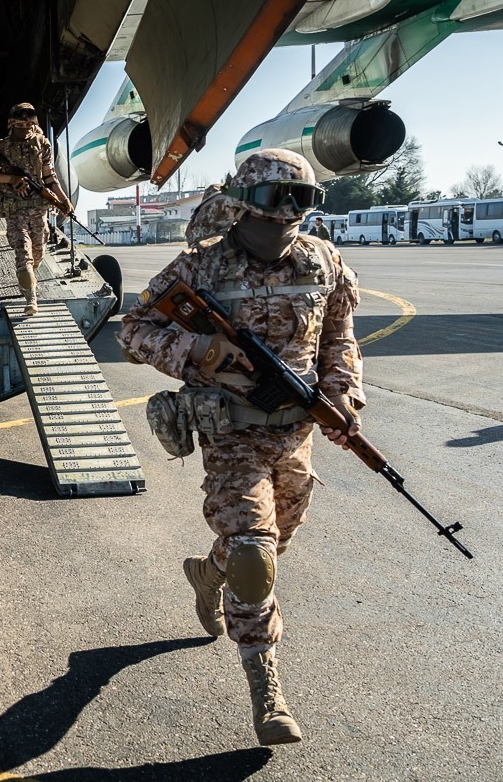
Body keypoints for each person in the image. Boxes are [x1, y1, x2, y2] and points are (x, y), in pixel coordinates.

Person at [117, 149, 365, 746]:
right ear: (244, 203)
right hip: (231, 432)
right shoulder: (201, 267)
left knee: (270, 546)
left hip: (296, 434)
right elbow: (134, 330)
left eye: (302, 200)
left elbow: (340, 340)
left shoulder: (323, 261)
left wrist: (341, 398)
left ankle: (207, 575)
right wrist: (201, 351)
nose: (288, 213)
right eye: (276, 199)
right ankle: (266, 689)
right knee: (253, 554)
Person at [0, 102, 73, 315]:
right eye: (19, 125)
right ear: (12, 124)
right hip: (15, 208)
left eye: (27, 124)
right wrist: (12, 180)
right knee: (23, 252)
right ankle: (31, 299)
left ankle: (30, 276)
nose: (24, 128)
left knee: (38, 251)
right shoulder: (2, 148)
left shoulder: (42, 143)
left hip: (38, 209)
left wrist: (64, 200)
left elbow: (49, 177)